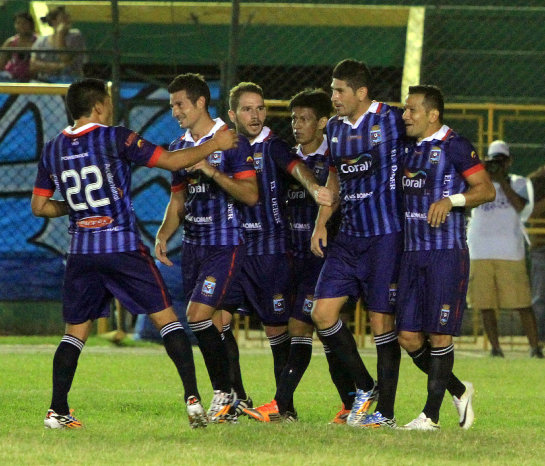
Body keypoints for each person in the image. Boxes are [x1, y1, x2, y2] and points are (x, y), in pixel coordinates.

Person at [31, 78, 239, 430]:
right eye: (108, 101)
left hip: (81, 252)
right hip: (122, 248)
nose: (112, 106)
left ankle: (57, 410)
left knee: (74, 334)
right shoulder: (116, 137)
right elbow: (171, 160)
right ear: (98, 106)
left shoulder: (52, 148)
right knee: (169, 321)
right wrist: (215, 145)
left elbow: (39, 206)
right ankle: (192, 399)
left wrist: (79, 208)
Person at [220, 84, 334, 423]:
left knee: (276, 331)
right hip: (236, 249)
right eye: (247, 109)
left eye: (260, 108)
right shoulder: (226, 148)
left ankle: (284, 405)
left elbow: (296, 167)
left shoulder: (274, 146)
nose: (255, 115)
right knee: (218, 320)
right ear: (232, 115)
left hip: (271, 251)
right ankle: (236, 397)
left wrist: (314, 187)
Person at [155, 73, 258, 424]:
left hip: (225, 245)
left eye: (179, 104)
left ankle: (224, 393)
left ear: (200, 102)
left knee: (197, 317)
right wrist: (163, 234)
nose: (175, 112)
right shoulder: (179, 146)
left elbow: (250, 194)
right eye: (172, 106)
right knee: (214, 323)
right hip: (194, 248)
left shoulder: (230, 142)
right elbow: (178, 198)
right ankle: (234, 399)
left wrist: (212, 173)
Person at [310, 59, 406, 429]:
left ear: (361, 93)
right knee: (322, 315)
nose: (333, 97)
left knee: (382, 322)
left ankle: (387, 414)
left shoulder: (392, 120)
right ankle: (366, 387)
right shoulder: (333, 128)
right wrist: (322, 223)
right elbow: (334, 177)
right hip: (348, 238)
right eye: (333, 89)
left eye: (339, 91)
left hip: (385, 236)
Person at [397, 84, 496, 430]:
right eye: (405, 109)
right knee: (408, 336)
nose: (405, 115)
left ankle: (430, 416)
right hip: (411, 253)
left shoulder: (454, 145)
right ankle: (459, 390)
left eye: (412, 110)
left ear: (432, 115)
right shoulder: (407, 146)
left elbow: (486, 189)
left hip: (446, 254)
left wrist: (450, 201)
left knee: (440, 335)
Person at [467, 140, 543, 358]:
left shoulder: (518, 182)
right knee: (485, 304)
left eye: (501, 161)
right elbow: (466, 202)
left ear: (509, 162)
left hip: (510, 252)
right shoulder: (476, 182)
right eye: (493, 161)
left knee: (522, 303)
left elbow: (521, 207)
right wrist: (481, 175)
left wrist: (502, 181)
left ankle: (535, 348)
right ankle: (495, 348)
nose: (497, 166)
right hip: (480, 251)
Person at [30, 6, 87, 82]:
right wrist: (59, 66)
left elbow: (64, 57)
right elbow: (33, 65)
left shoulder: (75, 36)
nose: (69, 21)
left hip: (70, 80)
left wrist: (60, 34)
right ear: (53, 21)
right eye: (64, 18)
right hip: (44, 80)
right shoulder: (41, 41)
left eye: (68, 17)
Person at [527, 164, 545, 346]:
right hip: (541, 245)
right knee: (540, 297)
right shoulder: (536, 181)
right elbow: (530, 213)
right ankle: (539, 341)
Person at [0, 11, 37, 82]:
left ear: (31, 24)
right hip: (11, 78)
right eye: (18, 23)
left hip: (33, 79)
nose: (21, 26)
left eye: (24, 23)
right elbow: (1, 63)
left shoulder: (38, 42)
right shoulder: (10, 42)